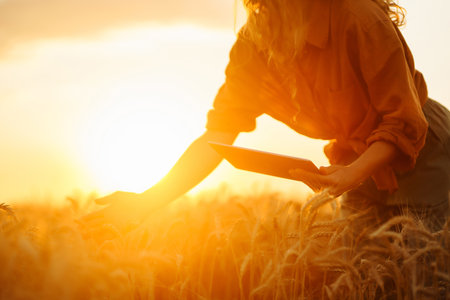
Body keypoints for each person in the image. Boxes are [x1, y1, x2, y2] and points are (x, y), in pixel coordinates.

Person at [82, 0, 450, 233]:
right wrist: (149, 200)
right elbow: (219, 134)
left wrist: (350, 174)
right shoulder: (255, 40)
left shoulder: (360, 19)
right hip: (352, 161)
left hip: (424, 151)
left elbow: (405, 120)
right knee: (361, 280)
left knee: (422, 278)